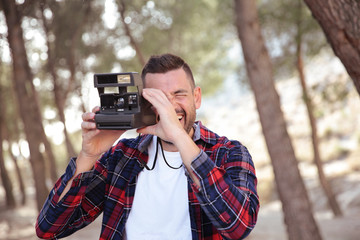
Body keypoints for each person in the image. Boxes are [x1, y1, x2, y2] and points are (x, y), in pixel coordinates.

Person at [36, 53, 259, 240]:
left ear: (196, 97)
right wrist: (88, 155)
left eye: (178, 94)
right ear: (145, 103)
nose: (169, 107)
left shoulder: (230, 153)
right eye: (158, 98)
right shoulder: (122, 156)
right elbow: (48, 228)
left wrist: (179, 136)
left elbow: (238, 226)